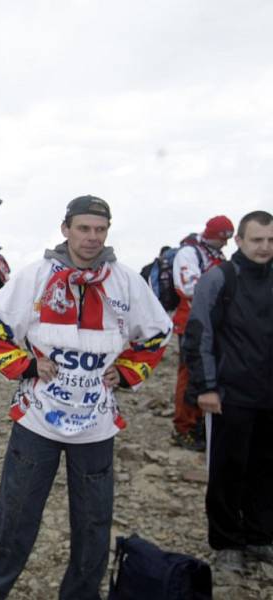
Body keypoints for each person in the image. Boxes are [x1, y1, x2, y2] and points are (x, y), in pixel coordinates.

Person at [0, 195, 172, 599]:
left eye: (100, 230)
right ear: (66, 229)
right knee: (15, 513)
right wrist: (24, 365)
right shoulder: (37, 276)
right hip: (38, 419)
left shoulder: (127, 281)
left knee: (94, 522)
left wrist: (128, 371)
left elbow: (159, 331)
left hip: (96, 424)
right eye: (83, 228)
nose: (92, 238)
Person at [183, 210, 273, 573]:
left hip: (269, 395)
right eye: (256, 240)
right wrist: (205, 387)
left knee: (266, 469)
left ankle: (260, 535)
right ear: (238, 241)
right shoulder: (219, 279)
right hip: (229, 394)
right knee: (227, 470)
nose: (265, 247)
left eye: (270, 240)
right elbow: (198, 335)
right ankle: (226, 542)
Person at [171, 215, 234, 451]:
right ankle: (184, 427)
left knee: (211, 372)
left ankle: (201, 422)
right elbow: (186, 287)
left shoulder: (216, 255)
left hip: (216, 323)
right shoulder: (189, 253)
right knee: (190, 374)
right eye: (222, 238)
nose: (225, 244)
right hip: (192, 323)